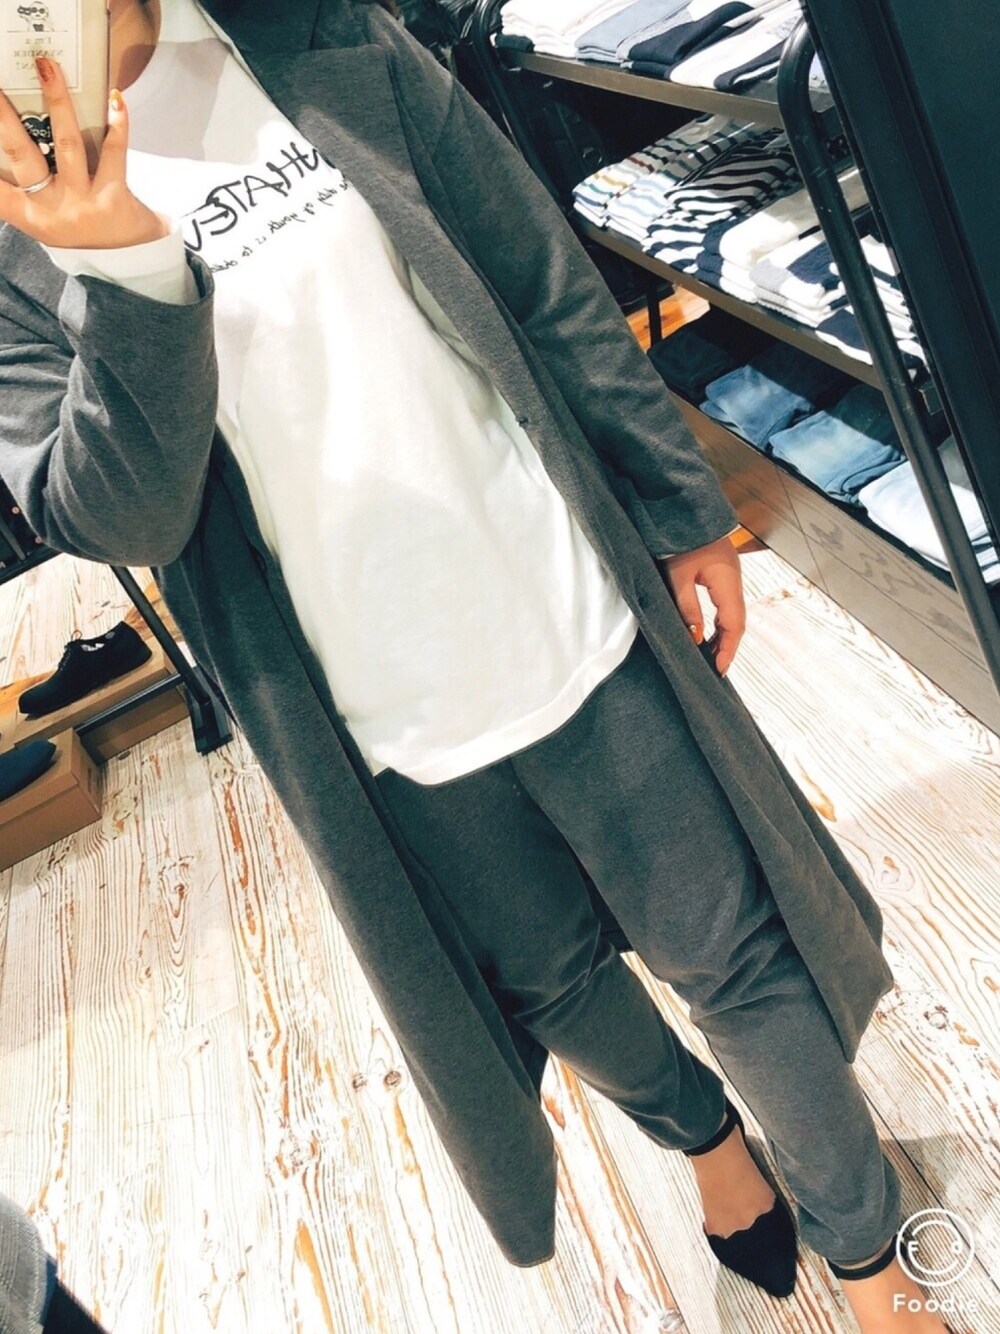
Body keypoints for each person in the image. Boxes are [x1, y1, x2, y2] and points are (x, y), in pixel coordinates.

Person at [0, 1, 952, 1329]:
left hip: (557, 593)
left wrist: (680, 502)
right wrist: (131, 278)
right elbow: (119, 516)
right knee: (554, 984)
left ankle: (864, 1255)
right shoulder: (13, 223)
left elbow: (535, 271)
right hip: (364, 707)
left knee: (732, 953)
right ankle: (703, 1138)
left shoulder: (314, 32)